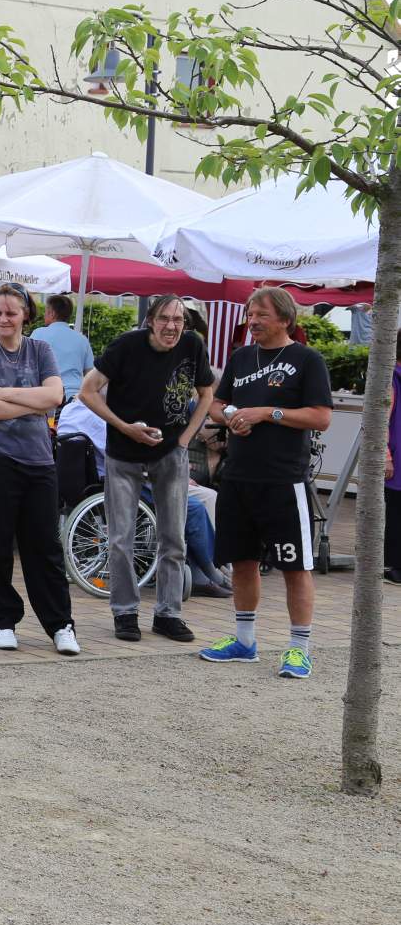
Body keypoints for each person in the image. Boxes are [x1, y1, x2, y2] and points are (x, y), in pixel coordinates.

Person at [200, 287, 332, 679]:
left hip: (283, 480)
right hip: (238, 477)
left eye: (261, 315)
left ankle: (298, 648)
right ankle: (245, 641)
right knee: (242, 560)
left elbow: (321, 417)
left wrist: (267, 413)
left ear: (285, 319)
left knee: (295, 566)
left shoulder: (307, 360)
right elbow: (216, 404)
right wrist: (233, 416)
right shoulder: (241, 357)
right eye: (250, 314)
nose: (252, 321)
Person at [77, 294, 215, 644]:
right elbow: (88, 391)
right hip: (124, 453)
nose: (172, 326)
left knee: (174, 537)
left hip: (171, 453)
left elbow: (207, 393)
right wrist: (123, 426)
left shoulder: (192, 346)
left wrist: (185, 439)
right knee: (121, 538)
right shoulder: (127, 346)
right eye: (165, 318)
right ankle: (125, 612)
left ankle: (168, 613)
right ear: (151, 320)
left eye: (179, 320)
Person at [0, 283, 79, 656]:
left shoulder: (40, 349)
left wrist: (4, 392)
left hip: (38, 460)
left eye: (11, 312)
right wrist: (32, 402)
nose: (3, 319)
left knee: (45, 546)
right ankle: (3, 620)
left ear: (26, 314)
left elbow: (55, 397)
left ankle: (60, 625)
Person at [56, 397, 232, 598]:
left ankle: (205, 571)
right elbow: (128, 454)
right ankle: (208, 570)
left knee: (193, 501)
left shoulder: (69, 411)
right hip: (122, 482)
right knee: (192, 507)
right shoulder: (97, 418)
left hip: (95, 483)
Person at [30, 295, 95, 402]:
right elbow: (90, 373)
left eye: (46, 311)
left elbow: (26, 365)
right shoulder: (82, 339)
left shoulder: (38, 334)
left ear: (52, 313)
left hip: (46, 396)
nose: (44, 314)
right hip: (74, 398)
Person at [386, 329, 401, 585]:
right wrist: (385, 453)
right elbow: (381, 418)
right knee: (397, 510)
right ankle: (396, 566)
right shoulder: (391, 377)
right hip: (397, 454)